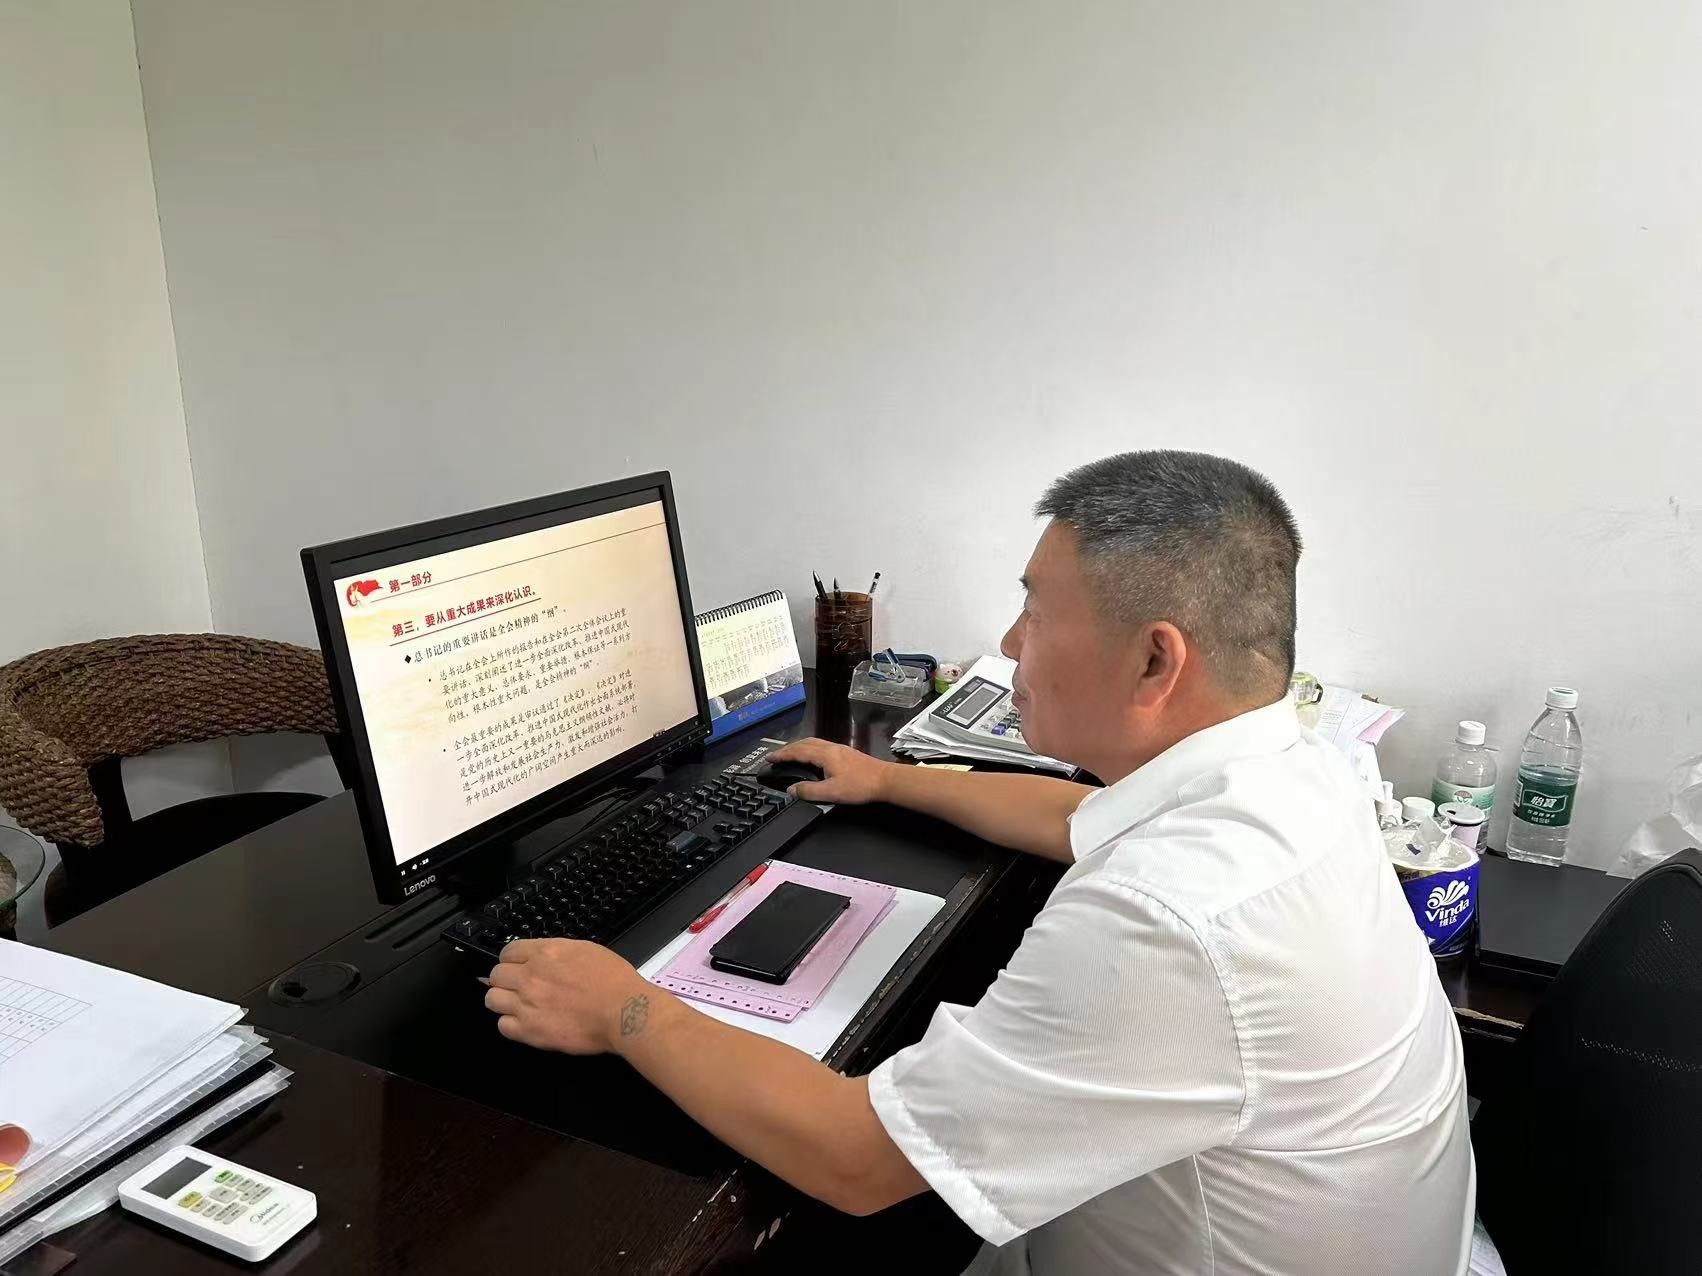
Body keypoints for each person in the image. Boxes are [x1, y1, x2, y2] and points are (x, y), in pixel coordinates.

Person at [481, 450, 1474, 1275]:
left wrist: (624, 1008)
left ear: (1153, 661)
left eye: (1035, 611)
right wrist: (889, 781)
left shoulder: (1171, 919)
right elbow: (1082, 815)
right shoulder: (1294, 770)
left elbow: (855, 1158)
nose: (1008, 641)